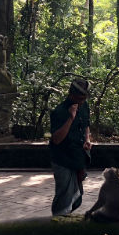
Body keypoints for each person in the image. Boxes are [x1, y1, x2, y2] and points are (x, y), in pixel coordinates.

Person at [49, 78, 93, 214]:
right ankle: (58, 221)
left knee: (77, 195)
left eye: (84, 99)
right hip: (62, 158)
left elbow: (86, 125)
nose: (82, 102)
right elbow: (57, 139)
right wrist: (71, 118)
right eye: (79, 99)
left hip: (77, 156)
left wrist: (87, 139)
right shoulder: (60, 111)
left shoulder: (84, 106)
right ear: (71, 95)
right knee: (64, 195)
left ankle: (67, 218)